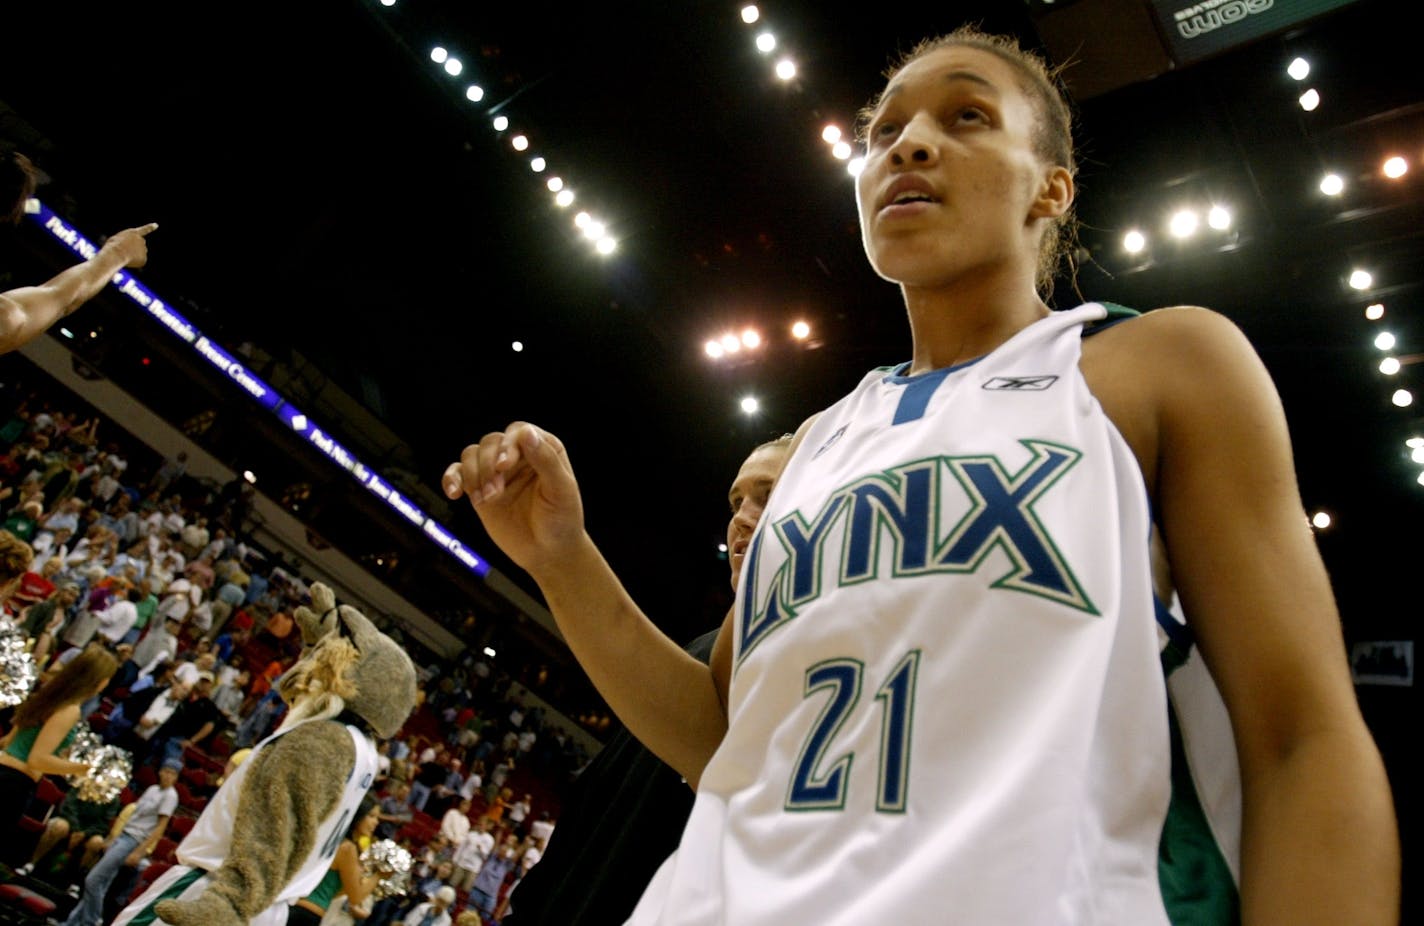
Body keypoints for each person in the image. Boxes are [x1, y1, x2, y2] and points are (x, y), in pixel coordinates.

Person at [444, 27, 1398, 925]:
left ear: (1052, 188)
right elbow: (723, 734)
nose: (908, 146)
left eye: (966, 116)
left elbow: (1299, 739)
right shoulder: (818, 441)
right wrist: (562, 558)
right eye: (885, 131)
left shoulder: (1156, 365)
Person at [500, 438, 790, 925]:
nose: (743, 516)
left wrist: (560, 555)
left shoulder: (807, 662)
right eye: (738, 501)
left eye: (769, 493)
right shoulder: (699, 650)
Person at [0, 157, 157, 355]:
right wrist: (118, 253)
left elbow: (59, 297)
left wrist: (119, 253)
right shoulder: (7, 318)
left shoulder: (7, 317)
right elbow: (60, 297)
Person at [0, 643, 116, 833]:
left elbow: (7, 742)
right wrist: (82, 769)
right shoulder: (70, 709)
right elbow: (37, 759)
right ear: (101, 681)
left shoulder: (48, 694)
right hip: (13, 785)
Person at [62, 757, 180, 926]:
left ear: (176, 777)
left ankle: (94, 920)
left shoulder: (170, 796)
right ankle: (71, 923)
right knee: (100, 885)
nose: (168, 776)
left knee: (93, 880)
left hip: (133, 840)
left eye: (173, 773)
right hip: (123, 835)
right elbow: (132, 815)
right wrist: (112, 837)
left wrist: (140, 851)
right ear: (160, 771)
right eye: (166, 771)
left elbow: (160, 827)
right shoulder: (152, 789)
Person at [288, 795, 383, 926]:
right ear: (358, 814)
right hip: (307, 914)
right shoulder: (347, 848)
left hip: (297, 907)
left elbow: (335, 891)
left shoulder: (335, 839)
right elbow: (356, 897)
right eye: (371, 816)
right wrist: (380, 875)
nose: (376, 822)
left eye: (377, 818)